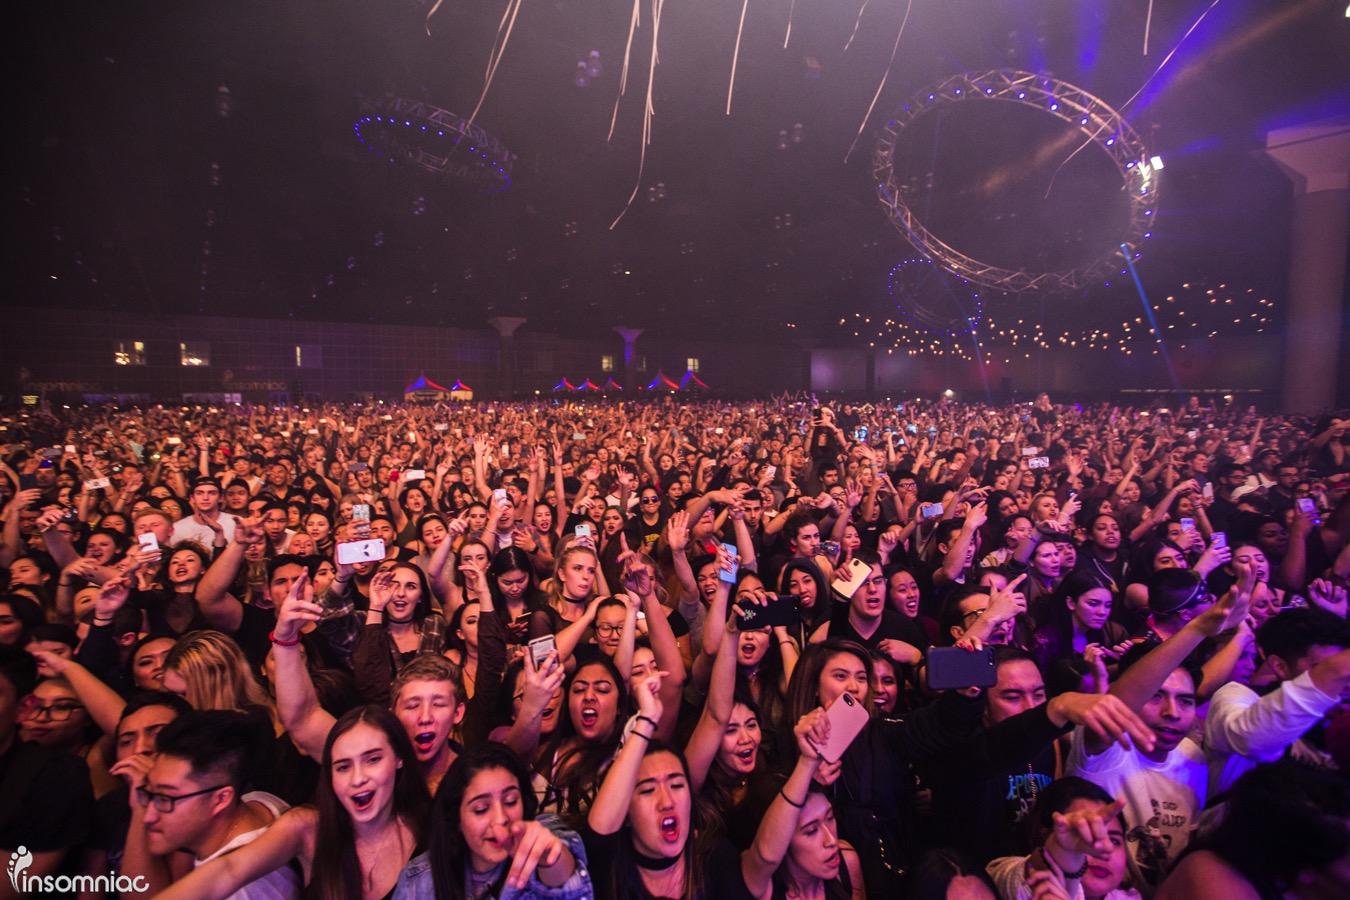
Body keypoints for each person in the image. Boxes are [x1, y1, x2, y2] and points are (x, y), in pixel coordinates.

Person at [154, 705, 431, 900]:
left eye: (373, 759)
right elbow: (229, 869)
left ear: (398, 759)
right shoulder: (308, 827)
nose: (358, 778)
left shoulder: (431, 828)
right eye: (343, 766)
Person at [118, 709, 300, 898]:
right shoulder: (260, 802)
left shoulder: (242, 891)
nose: (148, 816)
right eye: (149, 794)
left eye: (166, 799)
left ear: (221, 799)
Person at [419, 742, 592, 900]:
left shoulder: (541, 829)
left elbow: (562, 872)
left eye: (510, 801)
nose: (501, 818)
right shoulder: (417, 882)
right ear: (456, 817)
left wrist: (549, 857)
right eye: (481, 809)